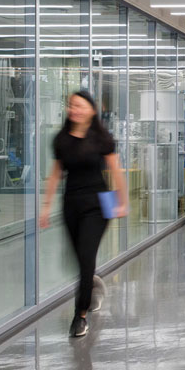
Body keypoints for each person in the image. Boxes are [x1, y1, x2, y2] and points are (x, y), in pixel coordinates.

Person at [40, 91, 128, 337]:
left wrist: (123, 201)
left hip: (99, 206)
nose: (74, 110)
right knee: (80, 260)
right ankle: (91, 281)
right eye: (71, 106)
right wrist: (45, 207)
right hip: (72, 204)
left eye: (80, 106)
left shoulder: (101, 139)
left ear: (92, 109)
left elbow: (116, 171)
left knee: (87, 257)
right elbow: (55, 175)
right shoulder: (61, 140)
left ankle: (80, 316)